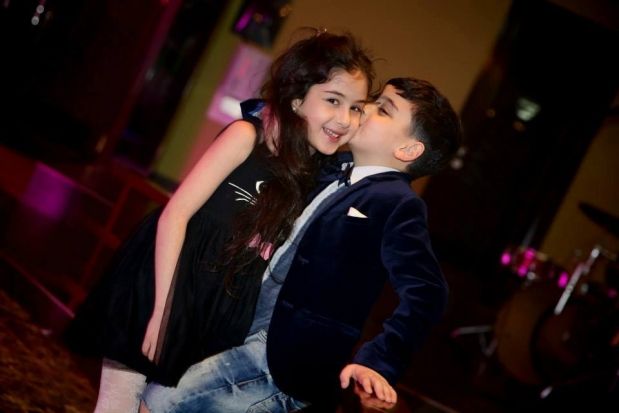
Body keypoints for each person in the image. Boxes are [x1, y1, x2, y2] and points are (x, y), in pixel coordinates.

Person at [65, 29, 375, 413]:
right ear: (297, 99)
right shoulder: (247, 135)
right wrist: (161, 311)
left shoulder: (316, 173)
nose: (344, 119)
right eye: (333, 100)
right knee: (117, 404)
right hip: (167, 281)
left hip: (217, 306)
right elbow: (176, 214)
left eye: (356, 108)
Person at [139, 76, 462, 412]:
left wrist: (380, 361)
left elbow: (428, 293)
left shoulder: (397, 202)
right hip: (242, 323)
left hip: (285, 356)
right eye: (374, 100)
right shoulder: (330, 167)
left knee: (161, 400)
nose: (365, 108)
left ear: (407, 150)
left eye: (383, 109)